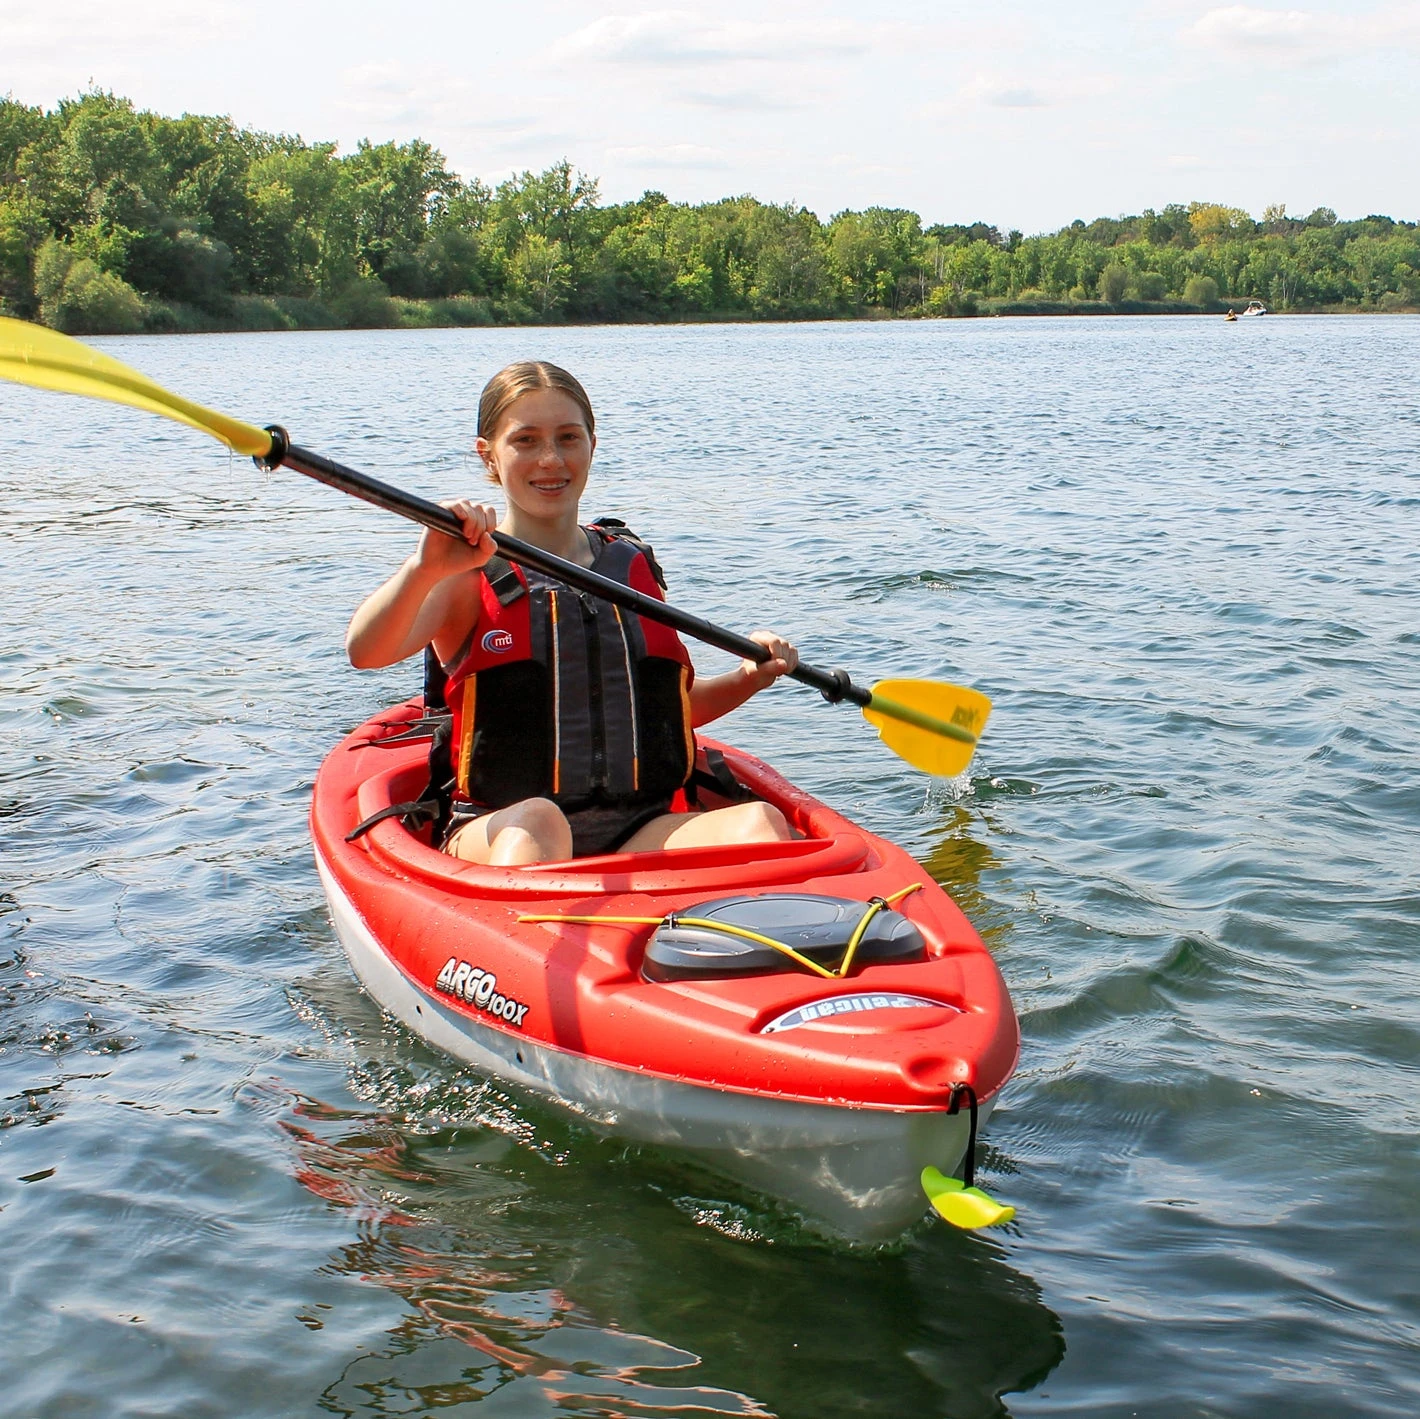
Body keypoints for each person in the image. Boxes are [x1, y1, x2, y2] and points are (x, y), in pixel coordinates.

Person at [346, 360, 800, 866]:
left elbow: (673, 713)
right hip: (500, 830)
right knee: (541, 824)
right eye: (525, 441)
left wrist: (748, 678)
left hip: (640, 828)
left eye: (568, 438)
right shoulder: (463, 569)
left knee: (760, 825)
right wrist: (422, 568)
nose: (550, 459)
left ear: (591, 445)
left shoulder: (630, 567)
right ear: (488, 455)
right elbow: (366, 651)